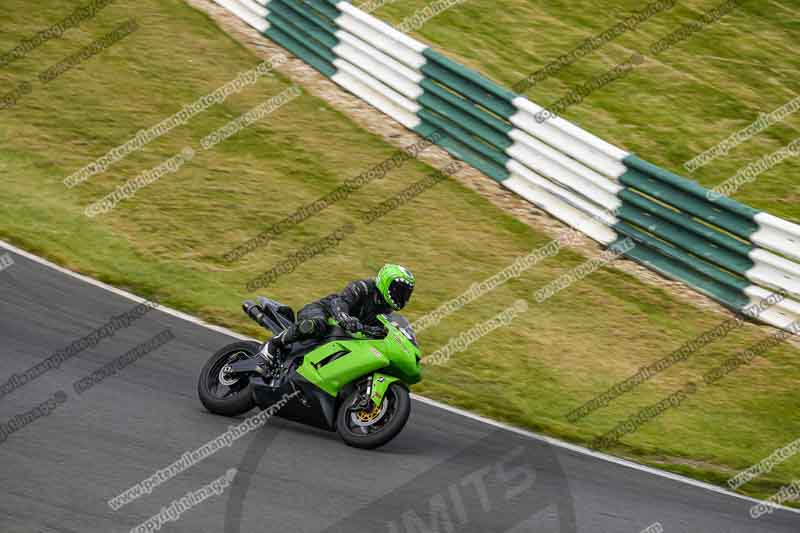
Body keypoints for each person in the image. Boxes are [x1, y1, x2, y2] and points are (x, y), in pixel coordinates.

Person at [265, 264, 415, 362]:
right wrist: (345, 318)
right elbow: (340, 302)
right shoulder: (363, 287)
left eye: (405, 294)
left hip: (342, 334)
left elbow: (385, 333)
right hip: (321, 310)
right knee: (317, 324)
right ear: (386, 283)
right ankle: (273, 344)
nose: (401, 297)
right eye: (399, 291)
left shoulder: (386, 313)